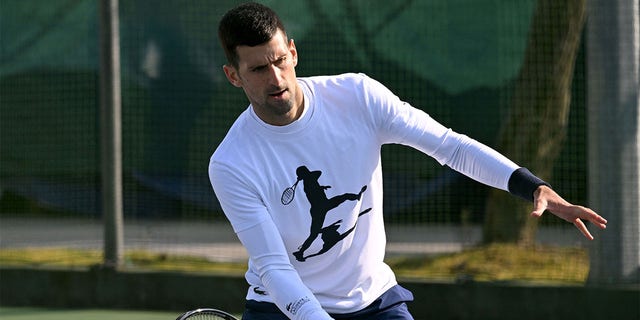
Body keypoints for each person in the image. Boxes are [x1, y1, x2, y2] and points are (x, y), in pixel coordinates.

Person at [208, 2, 608, 320]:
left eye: (279, 61)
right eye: (259, 69)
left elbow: (451, 147)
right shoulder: (231, 163)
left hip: (374, 301)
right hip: (282, 308)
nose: (276, 79)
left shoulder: (358, 98)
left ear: (293, 52)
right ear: (233, 75)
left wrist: (530, 185)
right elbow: (275, 269)